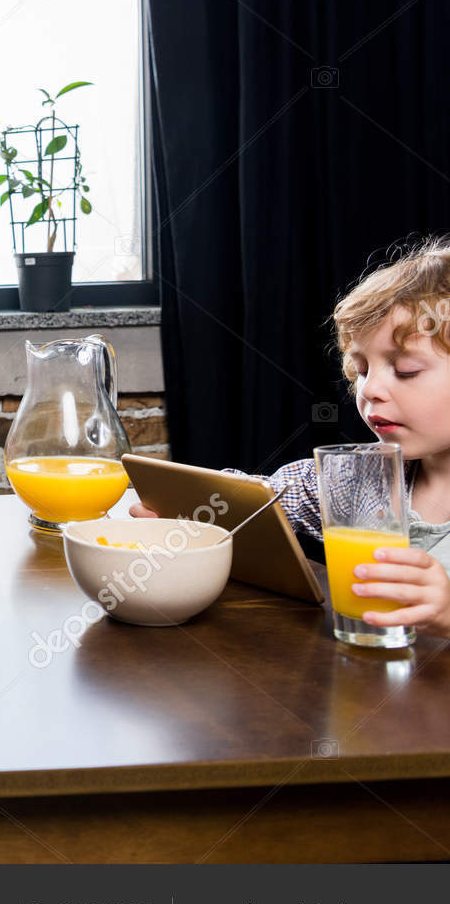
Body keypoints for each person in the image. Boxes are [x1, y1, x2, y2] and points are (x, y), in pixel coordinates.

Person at [132, 239, 450, 637]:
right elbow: (258, 499)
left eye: (404, 370)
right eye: (362, 369)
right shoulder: (358, 477)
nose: (369, 390)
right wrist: (186, 514)